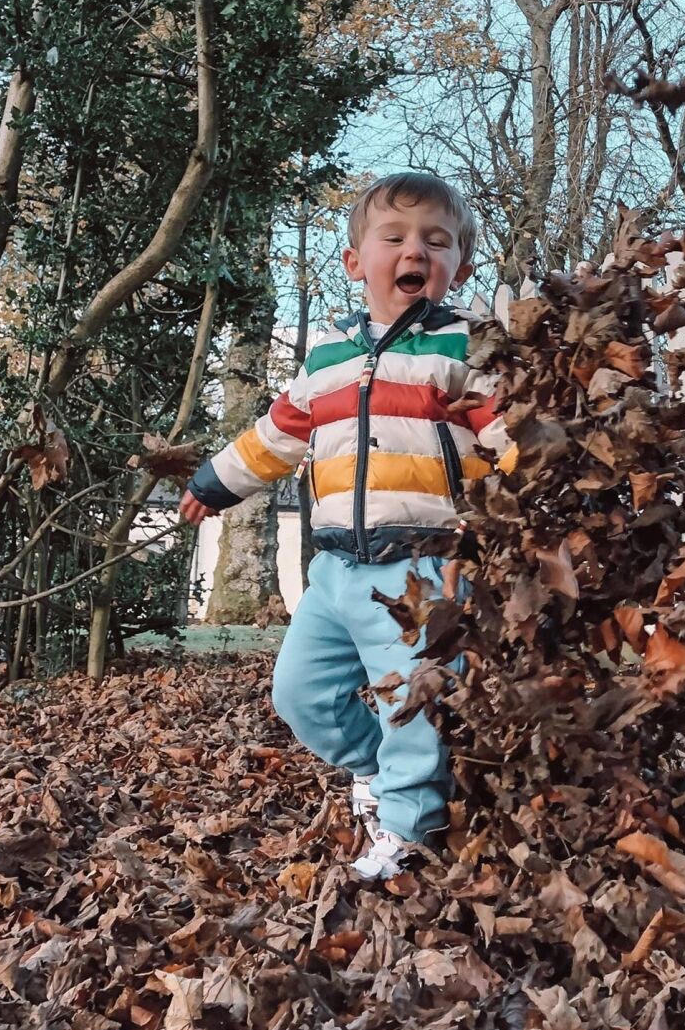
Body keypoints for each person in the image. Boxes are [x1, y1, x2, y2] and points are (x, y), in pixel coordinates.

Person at [179, 172, 513, 880]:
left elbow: (507, 434)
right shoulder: (328, 355)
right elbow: (276, 434)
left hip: (424, 568)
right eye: (393, 238)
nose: (413, 250)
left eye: (436, 240)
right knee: (300, 692)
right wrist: (214, 482)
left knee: (411, 702)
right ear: (356, 262)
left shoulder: (465, 349)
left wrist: (538, 483)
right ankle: (378, 773)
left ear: (461, 265)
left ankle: (410, 831)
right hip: (334, 568)